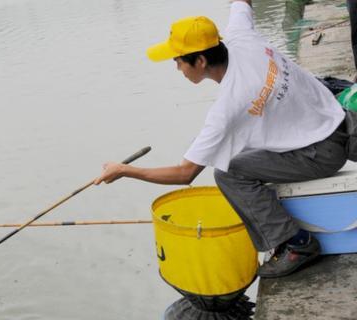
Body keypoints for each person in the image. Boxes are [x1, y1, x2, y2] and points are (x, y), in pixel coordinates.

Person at [94, 0, 349, 278]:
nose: (177, 67)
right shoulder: (241, 37)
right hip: (340, 117)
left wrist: (125, 170)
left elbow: (184, 174)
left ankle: (296, 244)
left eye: (178, 60)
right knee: (246, 144)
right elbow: (242, 3)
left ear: (200, 61)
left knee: (230, 173)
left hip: (322, 152)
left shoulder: (227, 108)